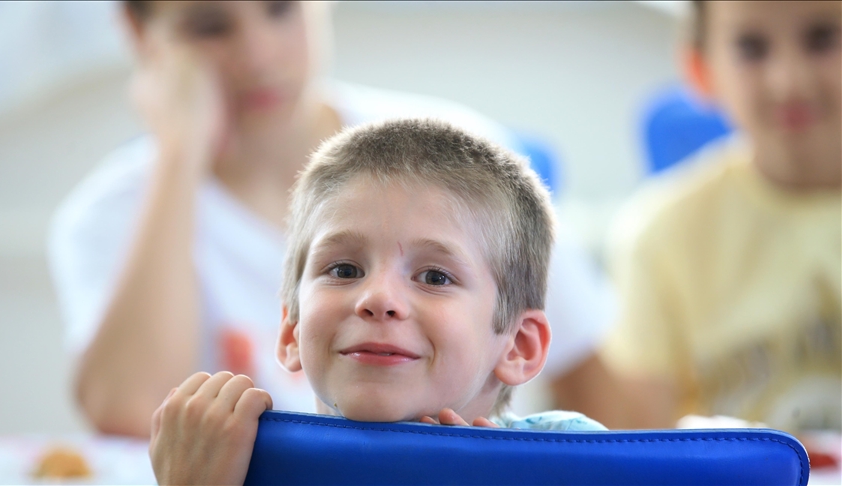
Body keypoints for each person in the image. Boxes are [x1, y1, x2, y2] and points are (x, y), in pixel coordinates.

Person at [48, 0, 615, 437]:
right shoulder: (106, 216)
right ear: (142, 33)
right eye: (209, 27)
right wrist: (178, 154)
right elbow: (131, 414)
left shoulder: (460, 158)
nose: (258, 55)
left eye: (279, 9)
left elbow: (604, 387)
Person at [148, 118, 606, 485]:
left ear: (517, 346)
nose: (378, 298)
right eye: (344, 270)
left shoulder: (578, 462)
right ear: (291, 329)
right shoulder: (226, 460)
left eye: (434, 276)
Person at [598, 0, 840, 432]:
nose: (790, 81)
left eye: (823, 38)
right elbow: (643, 444)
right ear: (700, 68)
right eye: (751, 47)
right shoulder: (658, 235)